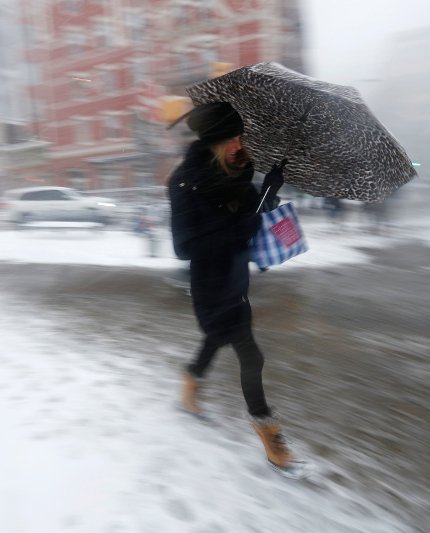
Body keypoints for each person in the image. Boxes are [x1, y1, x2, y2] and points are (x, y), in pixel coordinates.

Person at [167, 101, 302, 474]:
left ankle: (190, 384)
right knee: (250, 356)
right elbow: (184, 247)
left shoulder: (239, 172)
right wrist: (238, 230)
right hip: (211, 286)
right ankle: (271, 437)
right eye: (235, 137)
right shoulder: (183, 182)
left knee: (215, 339)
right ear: (216, 140)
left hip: (236, 280)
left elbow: (250, 217)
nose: (240, 143)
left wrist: (269, 191)